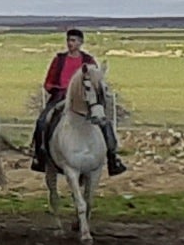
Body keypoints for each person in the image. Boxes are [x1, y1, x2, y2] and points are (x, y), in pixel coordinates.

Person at [36, 26, 124, 177]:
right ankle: (39, 155)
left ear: (80, 42)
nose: (70, 43)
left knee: (104, 122)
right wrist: (55, 89)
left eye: (73, 40)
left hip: (84, 98)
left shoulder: (88, 61)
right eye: (68, 40)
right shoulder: (59, 60)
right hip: (61, 96)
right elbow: (49, 81)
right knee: (42, 121)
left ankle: (112, 158)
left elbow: (96, 81)